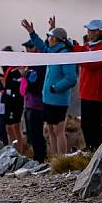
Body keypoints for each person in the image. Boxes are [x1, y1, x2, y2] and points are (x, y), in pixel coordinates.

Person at [21, 19, 77, 155]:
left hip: (58, 100)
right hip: (48, 99)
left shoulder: (65, 55)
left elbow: (71, 78)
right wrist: (32, 33)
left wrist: (55, 88)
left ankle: (62, 159)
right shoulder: (52, 52)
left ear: (56, 39)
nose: (48, 39)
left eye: (50, 37)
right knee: (51, 129)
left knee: (58, 130)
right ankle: (55, 159)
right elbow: (41, 45)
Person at [73, 19, 102, 150]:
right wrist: (72, 46)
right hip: (87, 91)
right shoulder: (92, 45)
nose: (88, 32)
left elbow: (90, 63)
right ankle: (92, 149)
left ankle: (97, 150)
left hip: (96, 92)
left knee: (93, 124)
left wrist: (75, 52)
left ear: (98, 32)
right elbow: (83, 50)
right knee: (87, 124)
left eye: (90, 30)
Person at [19, 40, 47, 163]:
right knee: (31, 133)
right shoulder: (31, 64)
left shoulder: (39, 63)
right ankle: (37, 156)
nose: (27, 50)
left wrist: (25, 73)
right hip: (29, 103)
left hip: (37, 104)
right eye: (26, 48)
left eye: (29, 47)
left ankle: (40, 157)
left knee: (36, 132)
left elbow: (36, 84)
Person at [2, 62, 24, 154]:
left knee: (16, 126)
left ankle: (20, 150)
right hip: (8, 100)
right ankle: (13, 148)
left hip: (17, 101)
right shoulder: (9, 70)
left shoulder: (20, 71)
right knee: (8, 126)